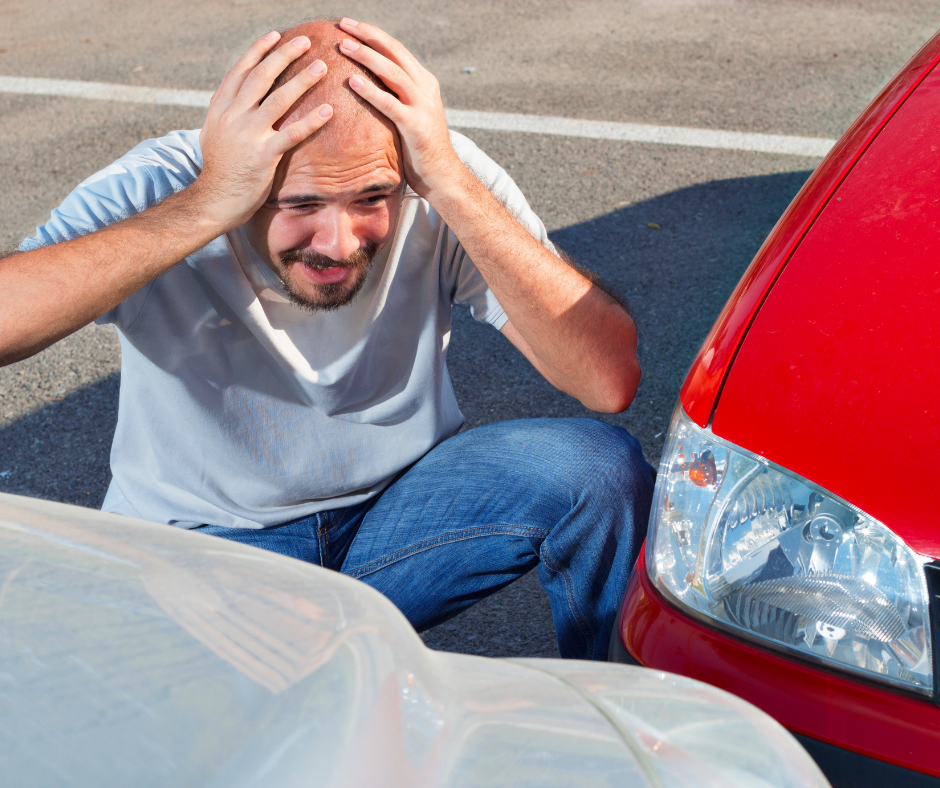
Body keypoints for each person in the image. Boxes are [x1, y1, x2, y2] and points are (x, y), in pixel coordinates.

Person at [0, 18, 654, 660]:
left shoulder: (432, 173)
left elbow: (606, 377)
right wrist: (207, 204)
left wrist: (451, 182)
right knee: (236, 748)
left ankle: (624, 732)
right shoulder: (166, 184)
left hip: (398, 520)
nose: (340, 244)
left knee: (595, 472)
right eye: (301, 204)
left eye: (371, 197)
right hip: (207, 553)